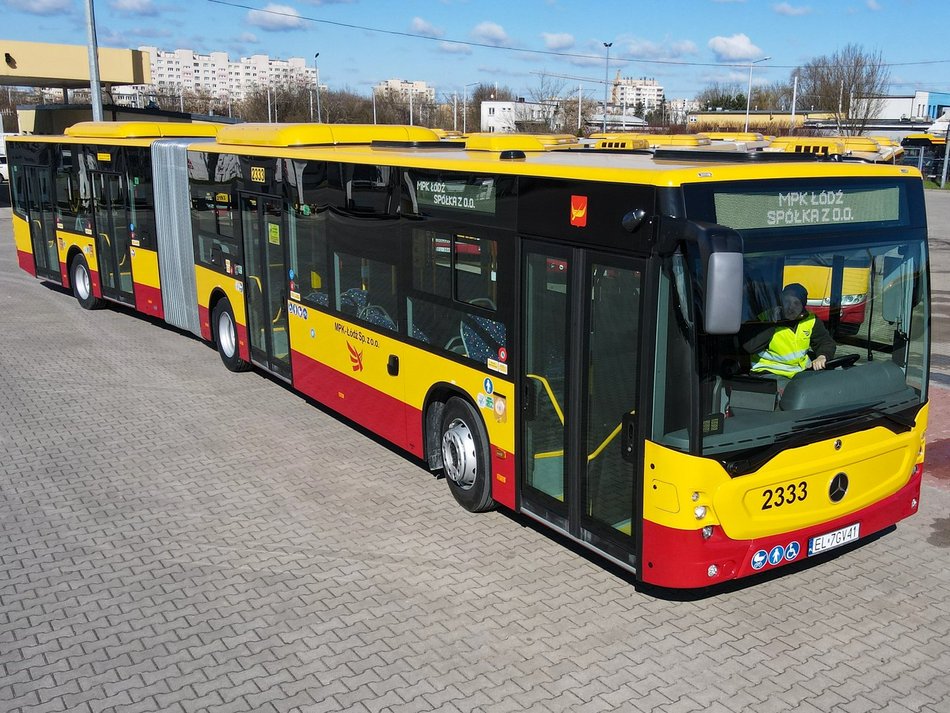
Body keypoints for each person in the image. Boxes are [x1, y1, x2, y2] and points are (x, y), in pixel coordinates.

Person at [742, 282, 836, 390]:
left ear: (803, 307)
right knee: (797, 393)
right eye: (787, 301)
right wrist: (773, 323)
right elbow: (750, 346)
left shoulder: (810, 320)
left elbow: (825, 342)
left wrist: (822, 356)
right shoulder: (765, 318)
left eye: (796, 303)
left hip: (800, 373)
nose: (791, 307)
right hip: (768, 374)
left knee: (828, 388)